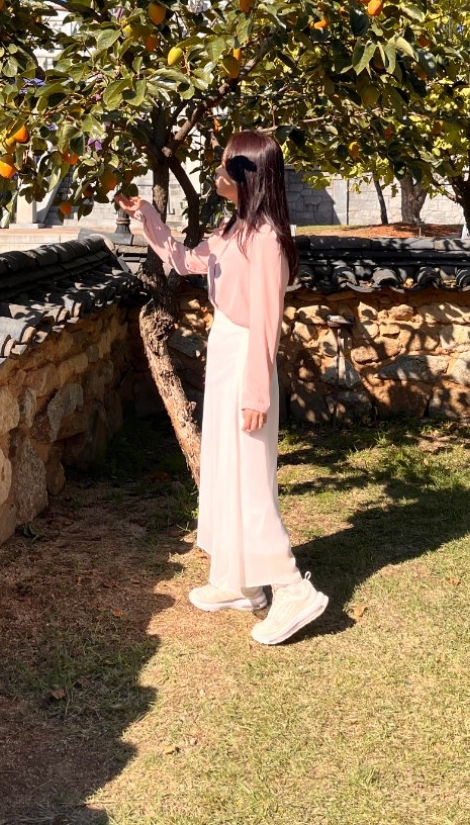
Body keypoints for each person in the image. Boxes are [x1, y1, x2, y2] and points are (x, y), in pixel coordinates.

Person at [116, 131, 328, 646]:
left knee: (251, 477)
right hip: (228, 353)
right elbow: (187, 261)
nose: (215, 171)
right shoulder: (234, 231)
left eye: (225, 165)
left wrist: (256, 391)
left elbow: (265, 322)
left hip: (247, 362)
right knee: (225, 470)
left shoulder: (267, 240)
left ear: (247, 175)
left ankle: (290, 587)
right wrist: (147, 216)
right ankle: (238, 583)